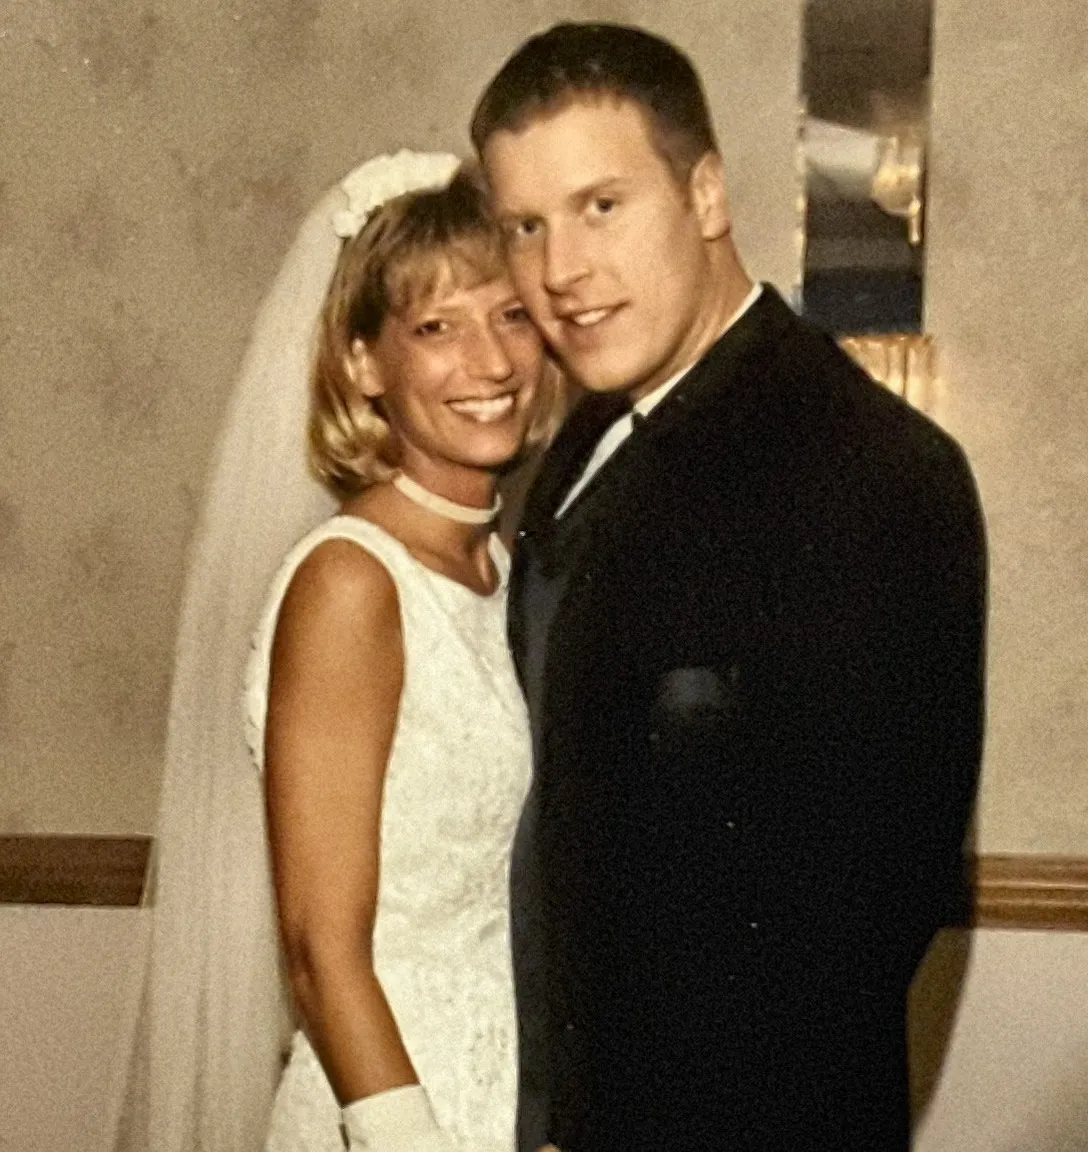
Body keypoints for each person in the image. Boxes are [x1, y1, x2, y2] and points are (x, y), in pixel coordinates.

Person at [471, 23, 987, 1152]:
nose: (559, 271)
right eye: (525, 226)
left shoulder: (869, 469)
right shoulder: (575, 447)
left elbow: (862, 916)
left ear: (704, 193)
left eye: (601, 205)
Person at [129, 152, 556, 1152]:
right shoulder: (350, 585)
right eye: (435, 329)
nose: (489, 364)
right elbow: (321, 951)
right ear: (363, 363)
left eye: (510, 317)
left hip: (505, 1099)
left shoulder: (500, 571)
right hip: (392, 1112)